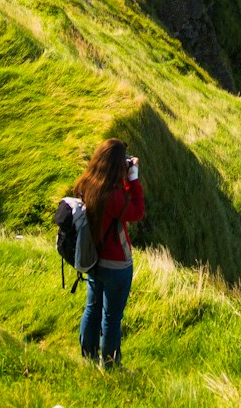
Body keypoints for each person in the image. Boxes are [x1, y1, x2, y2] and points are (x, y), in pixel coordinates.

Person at [72, 138, 145, 368]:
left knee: (92, 309)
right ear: (116, 166)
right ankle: (111, 367)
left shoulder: (86, 184)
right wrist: (132, 179)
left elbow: (116, 208)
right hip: (116, 265)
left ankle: (88, 359)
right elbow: (136, 211)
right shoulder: (111, 195)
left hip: (94, 259)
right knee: (111, 318)